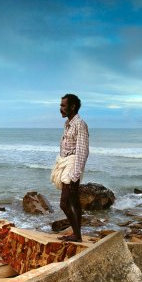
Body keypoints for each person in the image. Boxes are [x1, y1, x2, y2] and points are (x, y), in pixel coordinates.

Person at [51, 93, 89, 242]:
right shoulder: (68, 124)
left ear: (72, 106)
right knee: (73, 201)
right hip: (66, 161)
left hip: (73, 164)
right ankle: (77, 234)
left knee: (64, 203)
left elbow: (82, 151)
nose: (60, 108)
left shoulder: (80, 124)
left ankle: (76, 234)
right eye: (60, 105)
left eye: (63, 105)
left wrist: (75, 175)